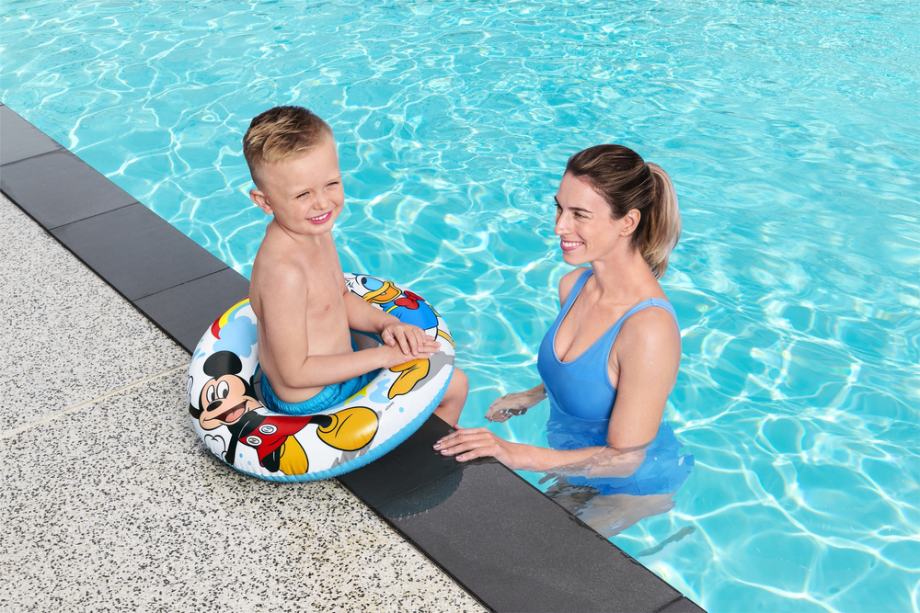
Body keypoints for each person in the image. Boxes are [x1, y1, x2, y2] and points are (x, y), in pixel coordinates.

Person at [434, 144, 692, 534]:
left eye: (579, 215)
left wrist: (516, 453)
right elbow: (591, 375)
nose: (559, 227)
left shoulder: (648, 330)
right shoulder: (574, 285)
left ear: (627, 222)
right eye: (559, 208)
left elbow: (626, 458)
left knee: (515, 553)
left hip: (630, 487)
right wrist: (533, 394)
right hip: (575, 462)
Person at [244, 105, 468, 424]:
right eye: (303, 194)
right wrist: (383, 356)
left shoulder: (313, 230)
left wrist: (387, 325)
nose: (323, 202)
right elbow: (295, 373)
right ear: (265, 201)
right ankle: (418, 452)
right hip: (314, 398)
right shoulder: (285, 274)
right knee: (455, 386)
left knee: (420, 356)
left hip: (333, 367)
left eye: (331, 184)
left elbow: (339, 297)